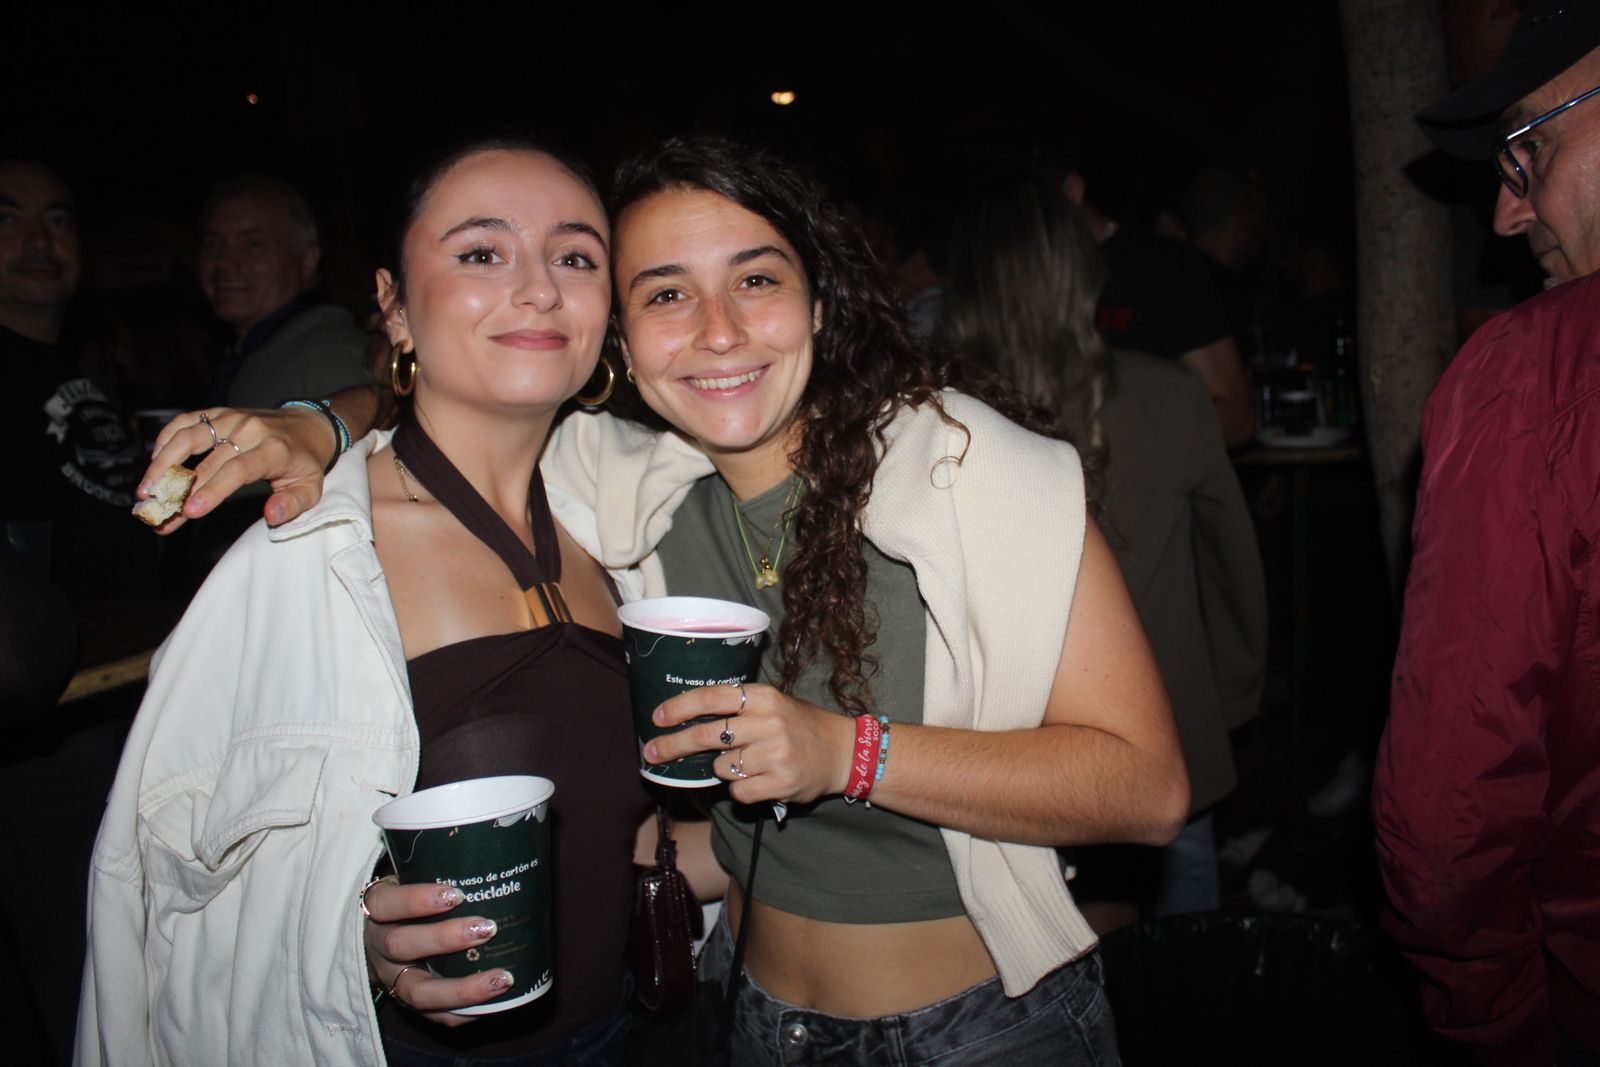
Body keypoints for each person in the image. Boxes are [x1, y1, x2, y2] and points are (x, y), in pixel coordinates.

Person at [138, 136, 1189, 1066]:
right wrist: (324, 418)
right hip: (742, 1016)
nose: (720, 331)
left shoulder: (961, 465)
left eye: (758, 279)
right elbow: (452, 401)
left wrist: (846, 754)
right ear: (621, 338)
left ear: (819, 302)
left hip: (975, 1027)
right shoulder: (628, 490)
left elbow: (1145, 787)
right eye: (665, 292)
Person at [79, 140, 645, 1066]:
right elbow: (166, 889)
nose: (540, 287)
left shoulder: (626, 510)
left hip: (631, 1031)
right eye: (481, 253)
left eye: (575, 256)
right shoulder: (302, 552)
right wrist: (352, 949)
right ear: (392, 304)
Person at [937, 172, 1267, 924]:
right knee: (1179, 918)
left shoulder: (926, 417)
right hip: (1164, 717)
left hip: (996, 738)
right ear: (1080, 273)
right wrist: (1233, 692)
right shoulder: (1171, 395)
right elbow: (1232, 565)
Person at [1375, 2, 1600, 1062]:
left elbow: (1448, 811)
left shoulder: (1535, 376)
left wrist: (1495, 1027)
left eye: (1530, 148)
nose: (1509, 216)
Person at [1063, 166, 1255, 447]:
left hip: (1150, 481)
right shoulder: (1013, 286)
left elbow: (1236, 420)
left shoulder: (1164, 267)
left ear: (1072, 190)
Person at [199, 173, 371, 407]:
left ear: (308, 259)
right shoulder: (249, 353)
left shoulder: (328, 353)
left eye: (253, 243)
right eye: (212, 244)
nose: (223, 262)